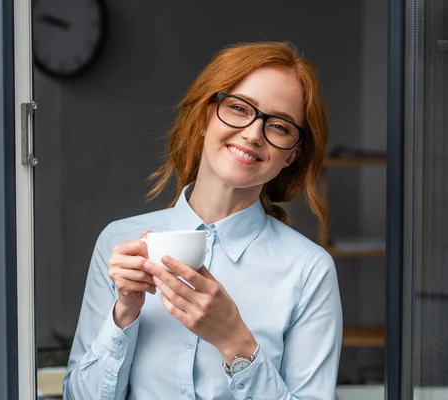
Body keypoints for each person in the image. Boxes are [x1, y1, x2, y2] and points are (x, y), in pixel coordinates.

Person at [63, 41, 342, 400]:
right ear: (204, 117)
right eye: (240, 108)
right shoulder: (119, 243)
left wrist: (235, 342)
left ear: (291, 155)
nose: (254, 133)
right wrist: (124, 313)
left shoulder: (308, 271)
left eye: (280, 126)